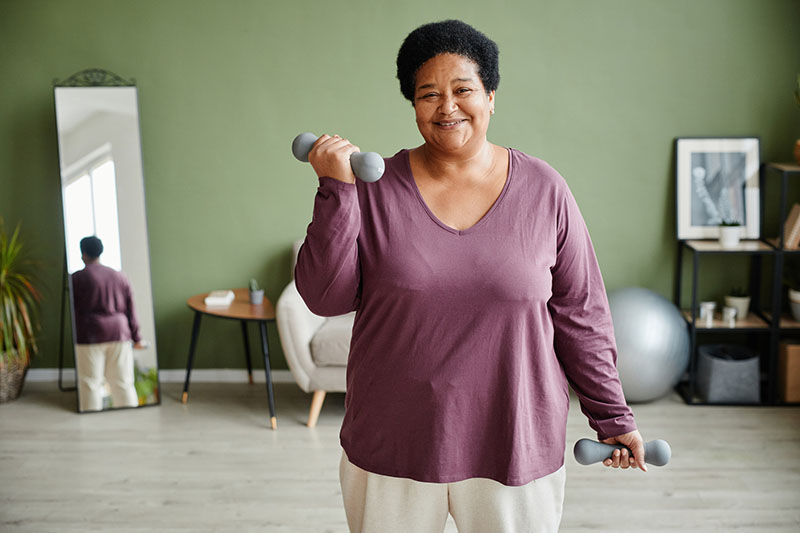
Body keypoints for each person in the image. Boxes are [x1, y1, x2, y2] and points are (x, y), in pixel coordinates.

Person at [295, 19, 646, 533]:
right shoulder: (371, 189)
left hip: (513, 440)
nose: (447, 107)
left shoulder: (545, 190)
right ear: (412, 104)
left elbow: (581, 316)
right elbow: (324, 297)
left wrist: (612, 418)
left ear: (491, 96)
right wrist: (335, 190)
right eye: (428, 94)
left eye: (463, 89)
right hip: (394, 442)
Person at [72, 236, 145, 411]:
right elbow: (131, 310)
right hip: (119, 334)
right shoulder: (119, 276)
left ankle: (91, 422)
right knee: (123, 383)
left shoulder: (77, 278)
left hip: (90, 335)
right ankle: (131, 420)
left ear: (83, 253)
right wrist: (137, 337)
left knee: (90, 383)